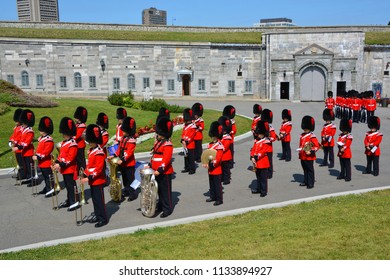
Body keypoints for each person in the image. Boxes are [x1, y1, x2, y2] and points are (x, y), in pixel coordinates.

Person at [81, 124, 108, 228]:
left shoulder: (99, 152)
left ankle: (103, 219)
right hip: (92, 180)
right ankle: (97, 215)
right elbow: (90, 166)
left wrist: (89, 177)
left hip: (98, 180)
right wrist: (84, 174)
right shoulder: (92, 151)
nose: (89, 143)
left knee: (99, 201)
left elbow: (98, 169)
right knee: (95, 200)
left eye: (90, 141)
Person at [150, 116, 174, 218]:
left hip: (164, 172)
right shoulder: (159, 143)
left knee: (165, 192)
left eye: (158, 133)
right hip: (156, 170)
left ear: (163, 134)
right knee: (158, 191)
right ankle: (160, 206)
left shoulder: (167, 144)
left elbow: (166, 160)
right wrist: (150, 165)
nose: (157, 135)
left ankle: (167, 209)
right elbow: (155, 156)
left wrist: (160, 170)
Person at [110, 116, 138, 201]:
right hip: (122, 162)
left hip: (128, 163)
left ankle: (133, 193)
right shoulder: (123, 138)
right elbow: (120, 149)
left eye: (124, 131)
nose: (122, 132)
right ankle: (127, 190)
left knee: (131, 179)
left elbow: (128, 153)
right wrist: (114, 155)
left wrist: (122, 159)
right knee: (125, 178)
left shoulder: (132, 141)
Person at [53, 117, 78, 211]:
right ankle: (69, 200)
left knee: (71, 186)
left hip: (70, 168)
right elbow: (61, 155)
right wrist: (56, 162)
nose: (63, 135)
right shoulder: (64, 143)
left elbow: (70, 159)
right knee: (68, 186)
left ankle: (74, 201)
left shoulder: (73, 144)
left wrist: (60, 164)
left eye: (64, 133)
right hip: (65, 168)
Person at [203, 121, 224, 206]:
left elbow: (218, 158)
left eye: (214, 136)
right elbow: (207, 155)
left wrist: (212, 164)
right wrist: (206, 163)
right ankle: (213, 196)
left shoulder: (220, 146)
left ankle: (219, 199)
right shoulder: (210, 145)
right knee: (211, 183)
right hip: (210, 168)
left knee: (217, 185)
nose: (213, 138)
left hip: (216, 168)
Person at [12, 109, 35, 185]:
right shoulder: (24, 129)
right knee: (27, 167)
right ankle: (29, 178)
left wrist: (18, 147)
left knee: (30, 167)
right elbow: (20, 139)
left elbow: (26, 143)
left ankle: (33, 180)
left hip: (29, 151)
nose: (23, 124)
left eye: (24, 123)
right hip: (24, 152)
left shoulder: (30, 131)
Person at [33, 116, 54, 195]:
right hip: (42, 163)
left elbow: (46, 152)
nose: (40, 131)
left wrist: (38, 156)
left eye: (42, 130)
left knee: (48, 177)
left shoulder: (49, 140)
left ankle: (51, 189)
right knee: (45, 177)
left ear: (45, 131)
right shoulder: (42, 138)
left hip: (46, 162)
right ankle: (47, 188)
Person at [250, 121, 271, 197]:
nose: (258, 135)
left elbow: (263, 151)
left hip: (263, 163)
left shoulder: (266, 141)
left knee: (263, 178)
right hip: (256, 163)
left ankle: (263, 191)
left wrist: (256, 157)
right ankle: (259, 189)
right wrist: (252, 156)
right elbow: (253, 149)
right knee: (258, 177)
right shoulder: (256, 141)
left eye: (259, 133)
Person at [298, 116, 320, 189]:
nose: (305, 130)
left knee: (310, 170)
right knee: (305, 169)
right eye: (304, 129)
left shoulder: (312, 136)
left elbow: (317, 146)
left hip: (309, 156)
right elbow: (301, 145)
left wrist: (310, 151)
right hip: (303, 155)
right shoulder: (302, 135)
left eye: (306, 129)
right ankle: (306, 181)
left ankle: (311, 183)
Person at [9, 108, 24, 181]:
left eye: (17, 121)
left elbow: (19, 137)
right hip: (15, 147)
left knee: (21, 163)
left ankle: (22, 174)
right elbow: (13, 135)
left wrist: (14, 142)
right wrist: (10, 140)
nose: (16, 122)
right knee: (18, 162)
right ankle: (19, 173)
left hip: (19, 148)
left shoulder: (22, 128)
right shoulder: (17, 127)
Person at [181, 108, 197, 174]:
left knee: (191, 158)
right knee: (186, 157)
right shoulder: (185, 126)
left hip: (190, 144)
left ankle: (192, 169)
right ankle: (187, 167)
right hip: (185, 144)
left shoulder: (193, 126)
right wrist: (182, 139)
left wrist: (187, 141)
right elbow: (183, 133)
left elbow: (192, 135)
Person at [261, 109, 276, 179]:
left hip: (268, 148)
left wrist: (267, 140)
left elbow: (274, 137)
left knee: (269, 161)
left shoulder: (270, 127)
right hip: (262, 148)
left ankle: (270, 173)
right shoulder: (261, 126)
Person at [218, 116, 232, 185]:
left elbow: (225, 147)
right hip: (221, 156)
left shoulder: (228, 137)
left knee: (226, 169)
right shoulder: (221, 136)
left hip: (226, 156)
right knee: (222, 168)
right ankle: (223, 178)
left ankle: (227, 179)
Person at [73, 106, 87, 174]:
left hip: (80, 145)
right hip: (76, 144)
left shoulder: (82, 126)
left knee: (81, 160)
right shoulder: (77, 125)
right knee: (77, 160)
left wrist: (70, 138)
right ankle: (79, 172)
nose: (75, 119)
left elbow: (77, 136)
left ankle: (83, 172)